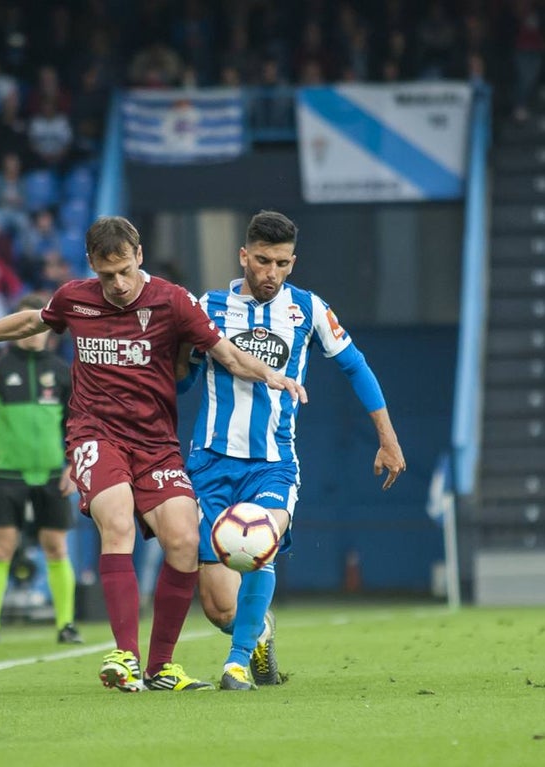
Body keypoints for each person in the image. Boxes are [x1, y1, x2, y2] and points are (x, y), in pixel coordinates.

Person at [0, 215, 306, 693]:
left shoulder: (173, 300)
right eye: (108, 275)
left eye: (126, 270)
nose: (119, 284)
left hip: (155, 443)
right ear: (92, 265)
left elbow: (226, 354)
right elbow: (33, 320)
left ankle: (161, 667)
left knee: (185, 539)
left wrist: (272, 375)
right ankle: (125, 654)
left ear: (139, 256)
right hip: (95, 434)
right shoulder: (74, 298)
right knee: (119, 521)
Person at [176, 211, 406, 691]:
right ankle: (257, 632)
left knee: (260, 546)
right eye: (262, 261)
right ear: (244, 256)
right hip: (211, 463)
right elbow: (183, 381)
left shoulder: (309, 310)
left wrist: (388, 437)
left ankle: (236, 664)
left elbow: (355, 367)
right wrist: (182, 358)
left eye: (281, 263)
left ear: (293, 262)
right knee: (220, 606)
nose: (271, 273)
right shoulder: (208, 307)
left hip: (274, 464)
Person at [0, 293, 81, 645]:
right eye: (25, 324)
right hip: (7, 472)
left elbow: (77, 422)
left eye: (39, 325)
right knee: (0, 547)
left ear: (49, 329)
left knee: (56, 546)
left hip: (51, 471)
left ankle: (66, 624)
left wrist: (73, 462)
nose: (33, 333)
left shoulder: (63, 373)